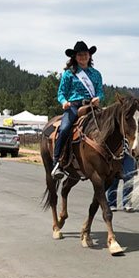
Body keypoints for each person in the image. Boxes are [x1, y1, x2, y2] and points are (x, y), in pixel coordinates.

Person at [51, 41, 104, 179]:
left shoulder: (96, 74)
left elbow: (100, 92)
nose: (83, 57)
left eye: (85, 54)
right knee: (65, 128)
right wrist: (64, 102)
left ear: (89, 56)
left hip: (92, 106)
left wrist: (98, 98)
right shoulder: (69, 74)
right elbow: (61, 93)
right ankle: (57, 162)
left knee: (109, 125)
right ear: (75, 57)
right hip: (74, 106)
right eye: (80, 55)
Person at [106, 139, 136, 211]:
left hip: (128, 152)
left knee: (129, 176)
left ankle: (127, 202)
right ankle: (111, 203)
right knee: (113, 178)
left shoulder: (132, 128)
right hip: (115, 152)